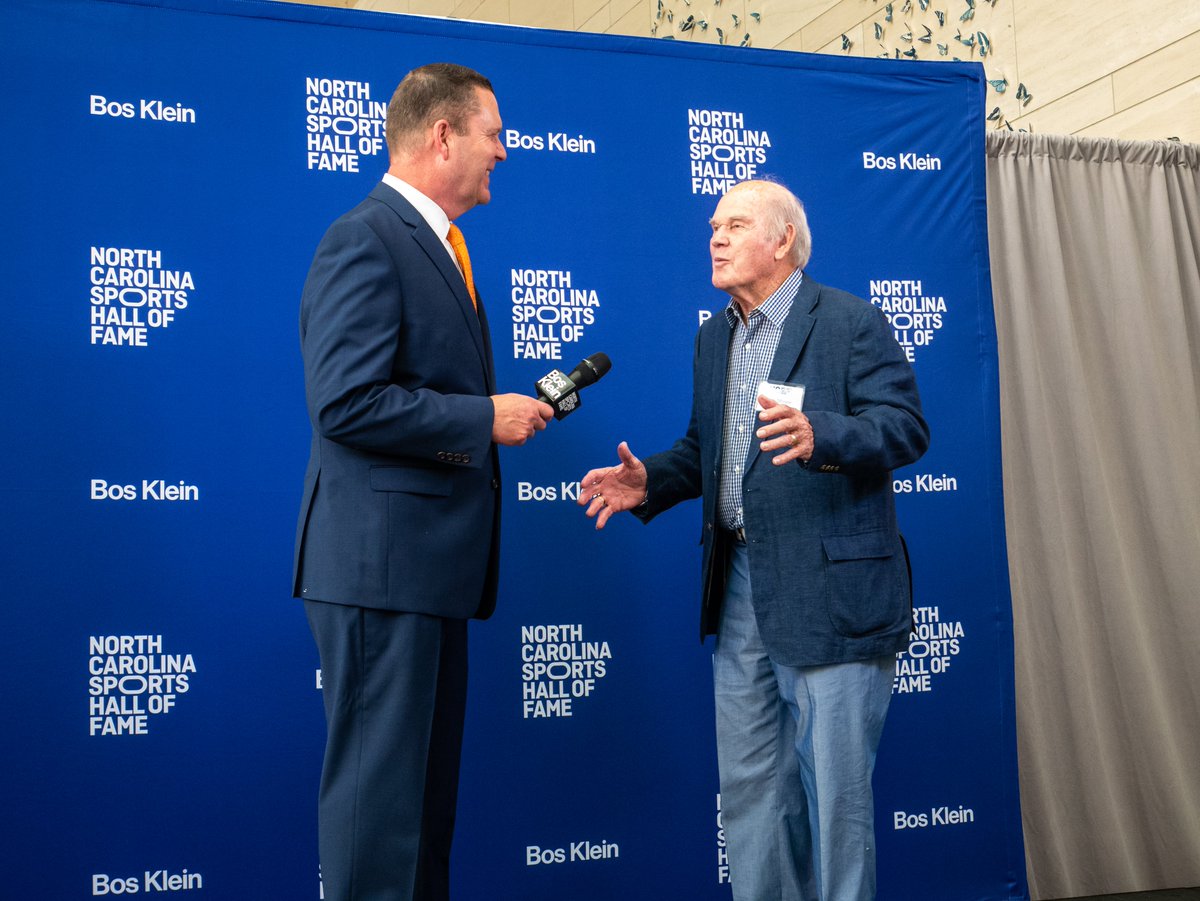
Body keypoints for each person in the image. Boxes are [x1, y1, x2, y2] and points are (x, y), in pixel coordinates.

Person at [577, 179, 929, 901]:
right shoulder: (714, 335)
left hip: (831, 590)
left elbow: (906, 427)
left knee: (835, 796)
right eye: (714, 225)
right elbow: (708, 447)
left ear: (783, 242)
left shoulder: (850, 321)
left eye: (735, 225)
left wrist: (821, 433)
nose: (716, 236)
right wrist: (653, 483)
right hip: (739, 585)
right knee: (751, 788)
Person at [293, 63, 553, 901]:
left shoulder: (443, 245)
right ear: (443, 135)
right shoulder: (365, 237)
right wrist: (483, 418)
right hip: (383, 571)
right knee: (381, 818)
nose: (503, 154)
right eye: (494, 134)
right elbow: (346, 402)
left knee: (419, 817)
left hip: (430, 573)